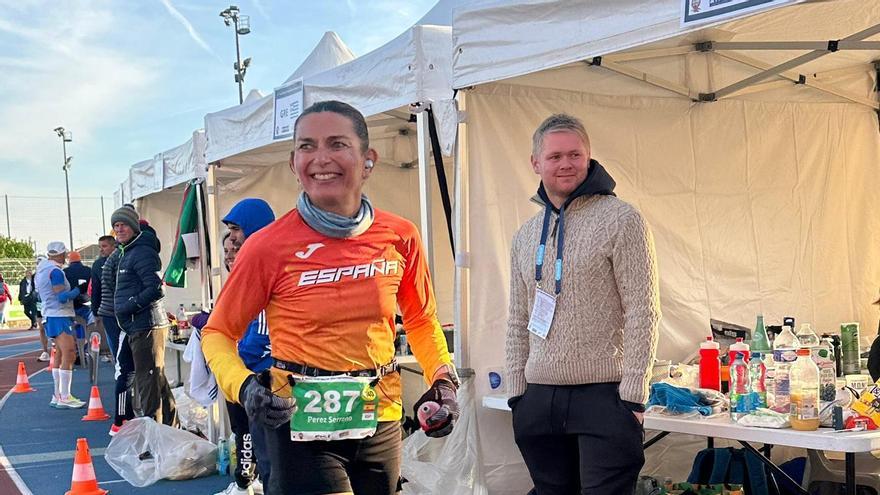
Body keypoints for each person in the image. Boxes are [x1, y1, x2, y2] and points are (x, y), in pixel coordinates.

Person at [203, 100, 460, 495]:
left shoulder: (401, 235)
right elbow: (218, 332)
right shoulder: (266, 247)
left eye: (337, 144)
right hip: (299, 423)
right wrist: (243, 386)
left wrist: (442, 379)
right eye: (307, 146)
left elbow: (422, 320)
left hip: (380, 417)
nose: (321, 158)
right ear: (293, 163)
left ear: (368, 159)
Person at [506, 113, 660, 495]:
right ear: (535, 163)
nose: (565, 164)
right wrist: (516, 393)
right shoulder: (525, 235)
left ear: (589, 157)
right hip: (538, 398)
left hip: (605, 395)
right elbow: (516, 318)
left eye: (575, 154)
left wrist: (633, 394)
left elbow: (643, 309)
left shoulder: (622, 219)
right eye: (555, 156)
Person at [211, 200, 276, 495]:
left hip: (262, 378)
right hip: (245, 375)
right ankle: (247, 480)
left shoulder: (266, 270)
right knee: (246, 435)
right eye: (228, 249)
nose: (232, 244)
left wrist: (234, 364)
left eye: (236, 231)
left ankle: (254, 481)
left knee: (270, 453)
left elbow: (261, 334)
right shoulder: (243, 277)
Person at [109, 205, 176, 426]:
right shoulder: (126, 252)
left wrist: (130, 305)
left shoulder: (142, 252)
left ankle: (153, 439)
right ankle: (171, 431)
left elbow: (157, 288)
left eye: (123, 225)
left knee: (148, 384)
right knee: (155, 381)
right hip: (137, 326)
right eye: (116, 226)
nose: (119, 229)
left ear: (134, 227)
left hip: (147, 325)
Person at [34, 242, 86, 408]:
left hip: (51, 314)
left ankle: (58, 395)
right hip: (59, 314)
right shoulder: (55, 271)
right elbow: (62, 297)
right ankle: (64, 395)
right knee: (69, 353)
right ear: (61, 254)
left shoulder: (42, 270)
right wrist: (79, 289)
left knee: (59, 354)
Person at [91, 235, 118, 362]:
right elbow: (95, 289)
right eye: (100, 247)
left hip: (124, 308)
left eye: (104, 246)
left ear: (114, 246)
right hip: (108, 310)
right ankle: (118, 367)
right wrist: (95, 311)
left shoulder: (122, 259)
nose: (101, 250)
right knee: (114, 342)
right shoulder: (97, 265)